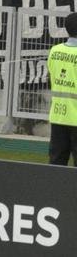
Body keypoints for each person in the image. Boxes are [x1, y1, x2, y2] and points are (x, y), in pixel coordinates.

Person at [46, 11, 77, 166]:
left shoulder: (55, 50)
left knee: (56, 162)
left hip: (58, 114)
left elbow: (52, 73)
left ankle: (53, 191)